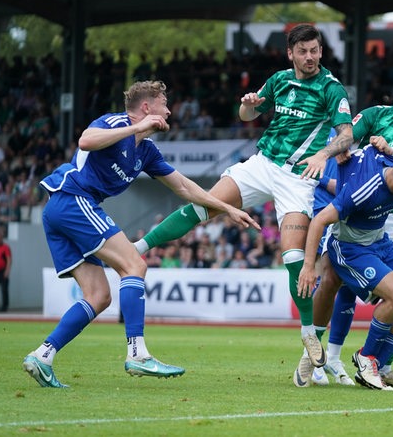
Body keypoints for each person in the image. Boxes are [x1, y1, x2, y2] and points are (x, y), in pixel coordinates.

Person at [132, 24, 355, 378]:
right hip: (262, 164)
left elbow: (347, 134)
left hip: (297, 178)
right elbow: (247, 117)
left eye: (315, 50)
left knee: (294, 255)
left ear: (321, 52)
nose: (310, 57)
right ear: (291, 54)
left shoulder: (332, 89)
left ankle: (308, 332)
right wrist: (249, 106)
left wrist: (322, 155)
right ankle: (138, 247)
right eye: (303, 52)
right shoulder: (280, 80)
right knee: (201, 207)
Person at [22, 80, 259, 388]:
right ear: (146, 108)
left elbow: (185, 187)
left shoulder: (146, 151)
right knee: (135, 266)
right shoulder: (115, 122)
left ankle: (43, 355)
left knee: (98, 296)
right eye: (164, 104)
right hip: (71, 199)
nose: (170, 110)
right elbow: (86, 141)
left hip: (64, 209)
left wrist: (227, 208)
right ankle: (137, 352)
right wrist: (136, 127)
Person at [310, 66, 393, 388]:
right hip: (358, 208)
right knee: (334, 279)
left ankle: (380, 365)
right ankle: (321, 357)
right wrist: (336, 150)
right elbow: (346, 137)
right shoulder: (376, 114)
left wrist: (390, 150)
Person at [298, 146, 393, 390]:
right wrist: (310, 267)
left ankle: (380, 367)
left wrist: (379, 144)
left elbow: (379, 150)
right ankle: (364, 358)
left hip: (379, 241)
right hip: (350, 246)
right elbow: (320, 220)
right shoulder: (363, 190)